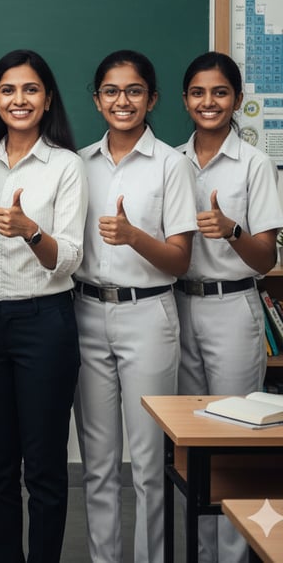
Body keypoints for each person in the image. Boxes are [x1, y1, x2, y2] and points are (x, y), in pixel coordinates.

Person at [0, 49, 87, 563]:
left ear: (48, 98)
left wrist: (31, 230)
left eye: (31, 89)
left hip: (45, 324)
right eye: (9, 90)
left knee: (47, 468)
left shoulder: (67, 166)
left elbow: (70, 258)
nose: (20, 99)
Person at [73, 49, 197, 563]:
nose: (122, 101)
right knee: (98, 462)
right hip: (84, 314)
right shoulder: (77, 163)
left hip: (148, 315)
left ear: (152, 99)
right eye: (111, 91)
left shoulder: (173, 165)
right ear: (97, 99)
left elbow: (180, 261)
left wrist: (131, 236)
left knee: (148, 462)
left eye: (134, 91)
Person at [176, 51, 283, 563]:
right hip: (176, 308)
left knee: (234, 441)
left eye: (220, 92)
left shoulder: (253, 163)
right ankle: (202, 553)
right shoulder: (171, 160)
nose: (208, 101)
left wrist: (231, 229)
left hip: (231, 306)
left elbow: (265, 257)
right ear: (183, 100)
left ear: (237, 100)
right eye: (198, 92)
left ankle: (234, 557)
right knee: (193, 445)